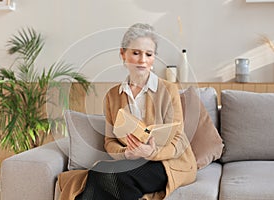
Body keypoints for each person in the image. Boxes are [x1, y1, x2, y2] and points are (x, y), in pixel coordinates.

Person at [58, 23, 197, 200]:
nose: (142, 60)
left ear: (154, 58)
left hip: (166, 162)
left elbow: (178, 141)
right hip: (131, 161)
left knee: (112, 178)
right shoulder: (112, 96)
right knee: (98, 172)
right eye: (136, 53)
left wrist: (151, 153)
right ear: (123, 54)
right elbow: (110, 141)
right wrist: (126, 154)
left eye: (149, 54)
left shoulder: (169, 90)